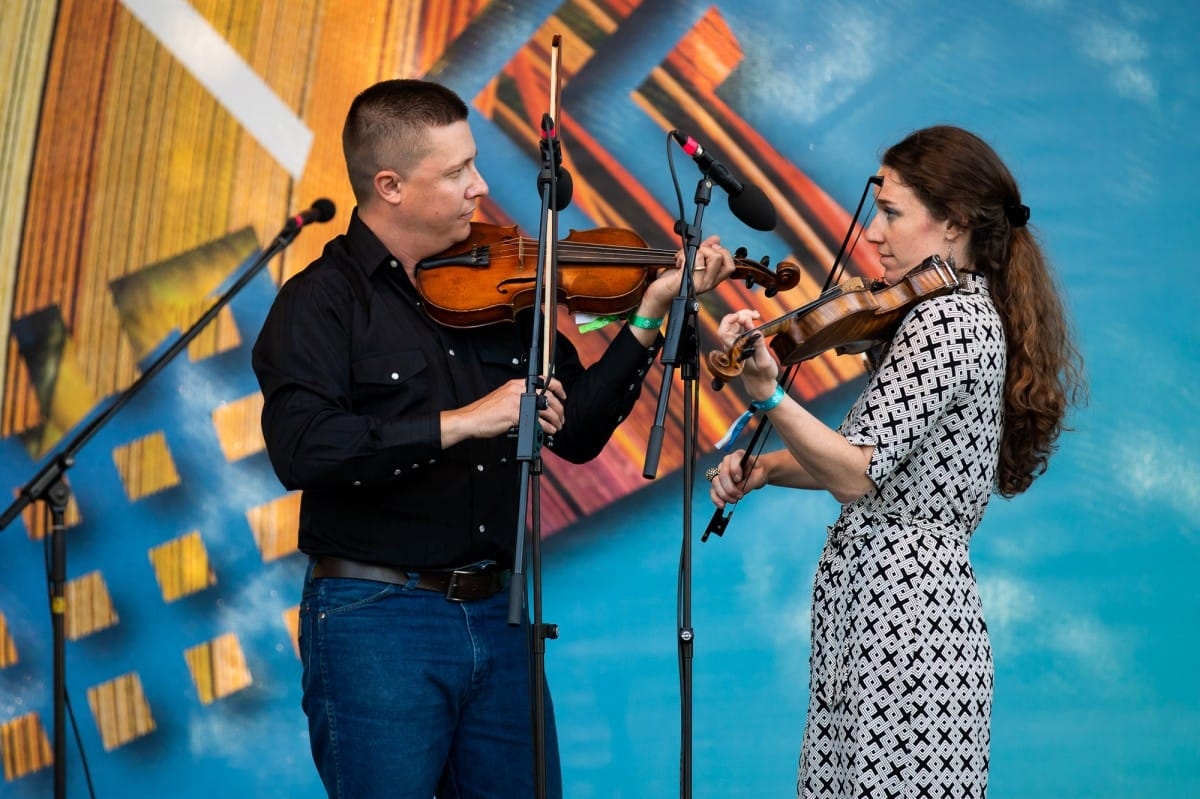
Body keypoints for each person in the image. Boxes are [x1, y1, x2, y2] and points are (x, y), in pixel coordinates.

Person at [251, 78, 734, 799]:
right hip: (377, 617)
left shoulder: (512, 282)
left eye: (474, 163)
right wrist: (466, 421)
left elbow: (577, 433)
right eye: (455, 172)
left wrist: (648, 316)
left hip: (500, 612)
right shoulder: (321, 301)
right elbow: (303, 448)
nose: (480, 187)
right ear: (390, 186)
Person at [707, 125, 1085, 798]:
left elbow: (856, 471)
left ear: (953, 224)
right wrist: (767, 470)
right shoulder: (937, 316)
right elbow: (869, 463)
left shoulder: (949, 323)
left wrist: (767, 396)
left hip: (906, 630)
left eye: (892, 212)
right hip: (879, 622)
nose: (873, 234)